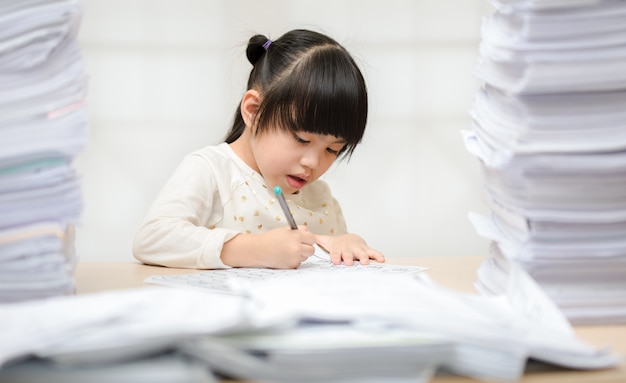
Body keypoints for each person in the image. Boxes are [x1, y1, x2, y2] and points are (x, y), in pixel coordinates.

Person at [132, 29, 385, 269]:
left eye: (332, 150)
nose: (313, 162)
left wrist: (347, 245)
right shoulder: (212, 171)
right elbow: (151, 239)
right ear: (253, 111)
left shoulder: (321, 197)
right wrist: (256, 249)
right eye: (301, 139)